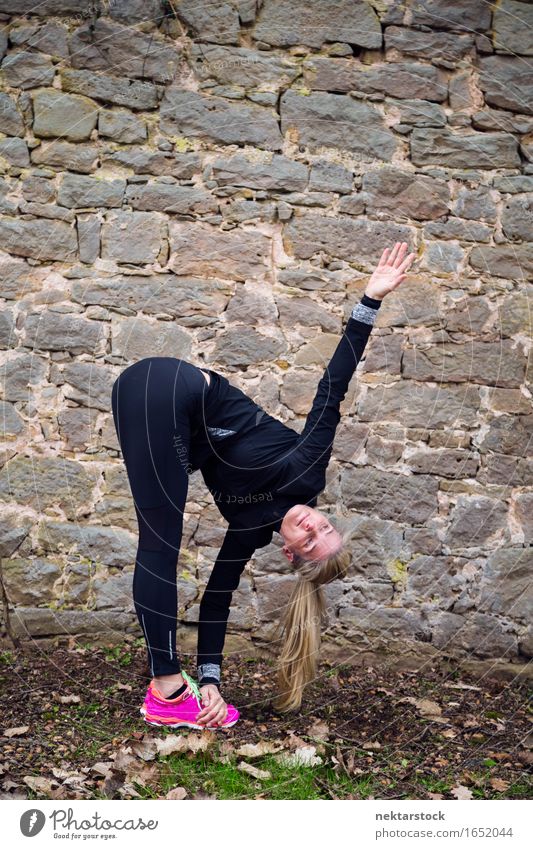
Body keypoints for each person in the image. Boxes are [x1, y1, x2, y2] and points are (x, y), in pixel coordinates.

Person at [110, 242, 415, 730]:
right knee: (161, 542)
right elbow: (332, 387)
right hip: (172, 387)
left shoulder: (249, 527)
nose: (312, 524)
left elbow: (217, 598)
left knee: (159, 536)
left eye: (310, 540)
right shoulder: (307, 469)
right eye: (325, 525)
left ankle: (180, 689)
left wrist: (211, 679)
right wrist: (370, 300)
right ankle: (167, 690)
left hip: (141, 403)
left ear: (290, 554)